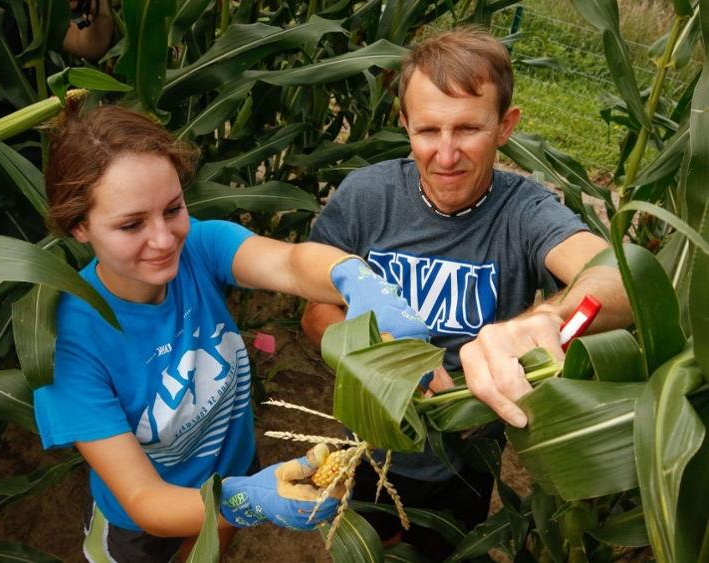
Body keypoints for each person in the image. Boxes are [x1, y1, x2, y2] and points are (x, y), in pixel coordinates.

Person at [33, 102, 430, 563]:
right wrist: (246, 501)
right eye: (131, 224)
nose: (163, 239)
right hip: (149, 526)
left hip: (233, 473)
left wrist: (356, 279)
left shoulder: (197, 247)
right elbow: (145, 500)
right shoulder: (68, 343)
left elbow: (289, 263)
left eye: (173, 209)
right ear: (80, 226)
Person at [301, 26, 632, 560]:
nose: (446, 154)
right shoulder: (366, 198)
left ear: (506, 127)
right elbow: (315, 310)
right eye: (428, 130)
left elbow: (619, 276)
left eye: (469, 129)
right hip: (364, 442)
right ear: (403, 123)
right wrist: (368, 350)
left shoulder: (525, 212)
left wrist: (541, 318)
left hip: (464, 458)